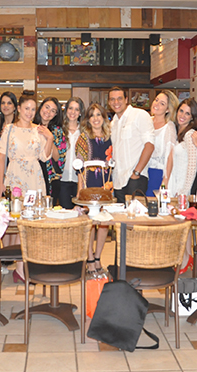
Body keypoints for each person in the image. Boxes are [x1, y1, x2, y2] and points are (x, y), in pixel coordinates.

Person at [75, 102, 112, 272]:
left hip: (106, 185)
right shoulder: (83, 138)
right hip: (89, 183)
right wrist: (80, 192)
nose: (96, 118)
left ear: (103, 118)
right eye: (92, 115)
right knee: (89, 223)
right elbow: (79, 168)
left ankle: (98, 258)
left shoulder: (110, 136)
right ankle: (89, 259)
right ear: (88, 120)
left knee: (104, 223)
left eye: (99, 115)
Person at [0, 93, 54, 195]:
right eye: (27, 108)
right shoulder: (9, 129)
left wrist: (50, 138)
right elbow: (1, 157)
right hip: (14, 175)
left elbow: (44, 157)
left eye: (33, 109)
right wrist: (0, 183)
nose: (30, 112)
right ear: (19, 108)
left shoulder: (39, 130)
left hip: (34, 177)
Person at [108, 86, 154, 204]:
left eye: (119, 98)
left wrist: (136, 173)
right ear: (109, 102)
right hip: (118, 180)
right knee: (121, 214)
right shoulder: (113, 123)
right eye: (112, 99)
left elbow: (149, 146)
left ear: (126, 99)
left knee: (135, 214)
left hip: (135, 178)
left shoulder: (139, 115)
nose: (116, 102)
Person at [164, 98, 197, 197]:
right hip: (172, 182)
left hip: (181, 186)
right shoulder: (174, 130)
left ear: (192, 117)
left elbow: (192, 166)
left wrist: (184, 191)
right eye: (181, 111)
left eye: (187, 113)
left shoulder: (190, 134)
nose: (182, 115)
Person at [34, 97, 65, 203]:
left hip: (50, 177)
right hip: (32, 172)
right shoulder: (30, 127)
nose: (48, 112)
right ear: (41, 107)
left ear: (55, 114)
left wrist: (50, 137)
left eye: (53, 111)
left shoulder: (57, 131)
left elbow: (58, 158)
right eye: (47, 107)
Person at [147, 91, 178, 195]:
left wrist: (165, 181)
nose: (156, 104)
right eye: (156, 100)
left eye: (162, 103)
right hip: (143, 171)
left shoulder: (169, 126)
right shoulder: (147, 121)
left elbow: (170, 156)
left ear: (168, 109)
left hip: (157, 172)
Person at [59, 97, 85, 209]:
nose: (73, 112)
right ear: (66, 110)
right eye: (70, 108)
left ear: (80, 112)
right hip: (62, 179)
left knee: (79, 213)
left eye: (76, 109)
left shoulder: (84, 132)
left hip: (80, 180)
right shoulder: (59, 130)